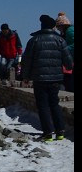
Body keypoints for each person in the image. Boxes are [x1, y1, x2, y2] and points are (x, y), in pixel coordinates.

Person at [21, 14, 73, 142]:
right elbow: (68, 62)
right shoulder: (60, 40)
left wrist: (25, 77)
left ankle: (48, 133)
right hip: (56, 78)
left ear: (42, 26)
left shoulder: (34, 40)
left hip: (39, 79)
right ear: (53, 27)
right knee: (54, 104)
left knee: (43, 105)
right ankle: (60, 132)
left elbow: (27, 61)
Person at [56, 12, 74, 92]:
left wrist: (64, 49)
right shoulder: (67, 31)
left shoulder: (69, 31)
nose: (58, 29)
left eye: (58, 27)